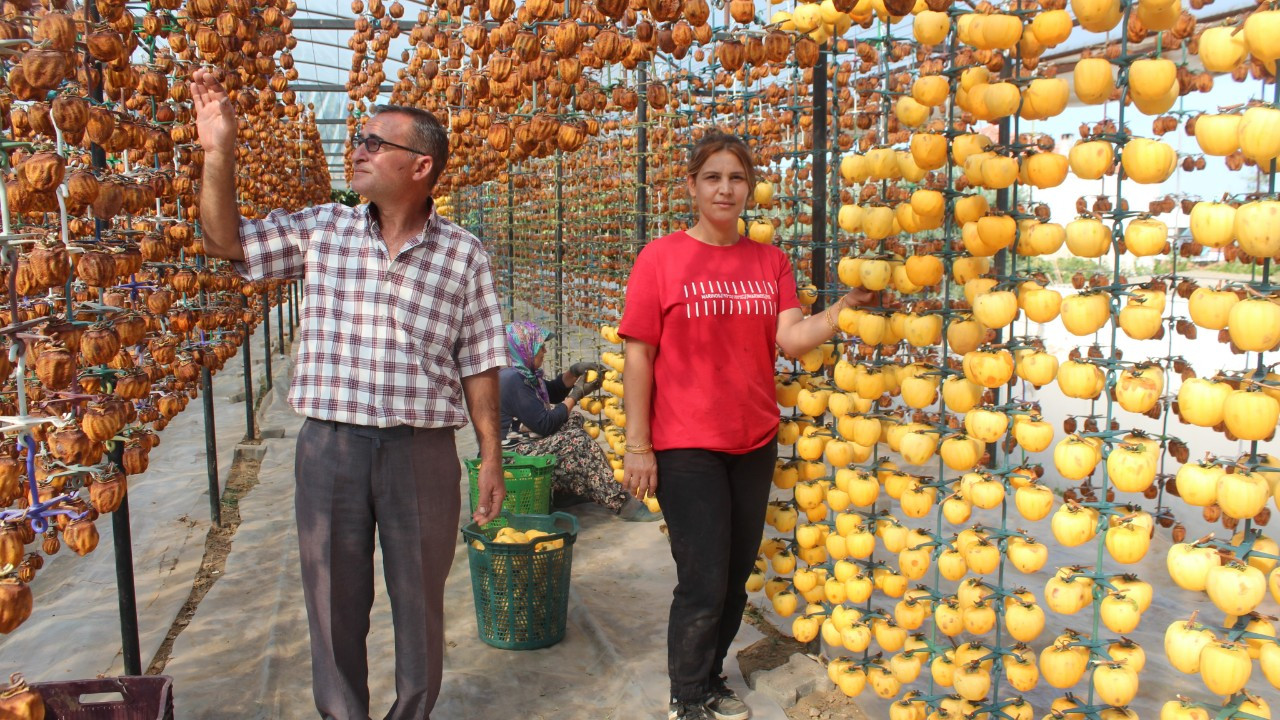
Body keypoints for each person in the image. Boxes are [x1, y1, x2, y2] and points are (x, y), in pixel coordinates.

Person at [191, 68, 508, 720]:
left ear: (420, 166)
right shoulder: (323, 230)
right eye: (357, 139)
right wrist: (217, 153)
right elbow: (227, 242)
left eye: (373, 142)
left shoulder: (465, 255)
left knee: (420, 606)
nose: (356, 149)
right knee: (333, 605)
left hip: (421, 453)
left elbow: (480, 361)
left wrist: (491, 455)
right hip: (330, 448)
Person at [617, 130, 873, 720]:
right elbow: (639, 357)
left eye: (736, 178)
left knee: (734, 577)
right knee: (702, 579)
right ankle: (688, 695)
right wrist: (639, 445)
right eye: (713, 177)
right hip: (686, 444)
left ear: (749, 189)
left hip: (753, 439)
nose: (725, 189)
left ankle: (709, 679)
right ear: (692, 186)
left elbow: (790, 338)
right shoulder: (660, 259)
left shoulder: (769, 261)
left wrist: (841, 311)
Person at [499, 321, 659, 520]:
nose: (545, 350)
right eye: (540, 346)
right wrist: (576, 395)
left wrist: (573, 373)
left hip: (527, 443)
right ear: (525, 348)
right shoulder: (512, 380)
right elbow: (545, 423)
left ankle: (565, 492)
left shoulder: (524, 374)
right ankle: (622, 503)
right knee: (578, 442)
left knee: (573, 420)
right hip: (513, 455)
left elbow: (553, 392)